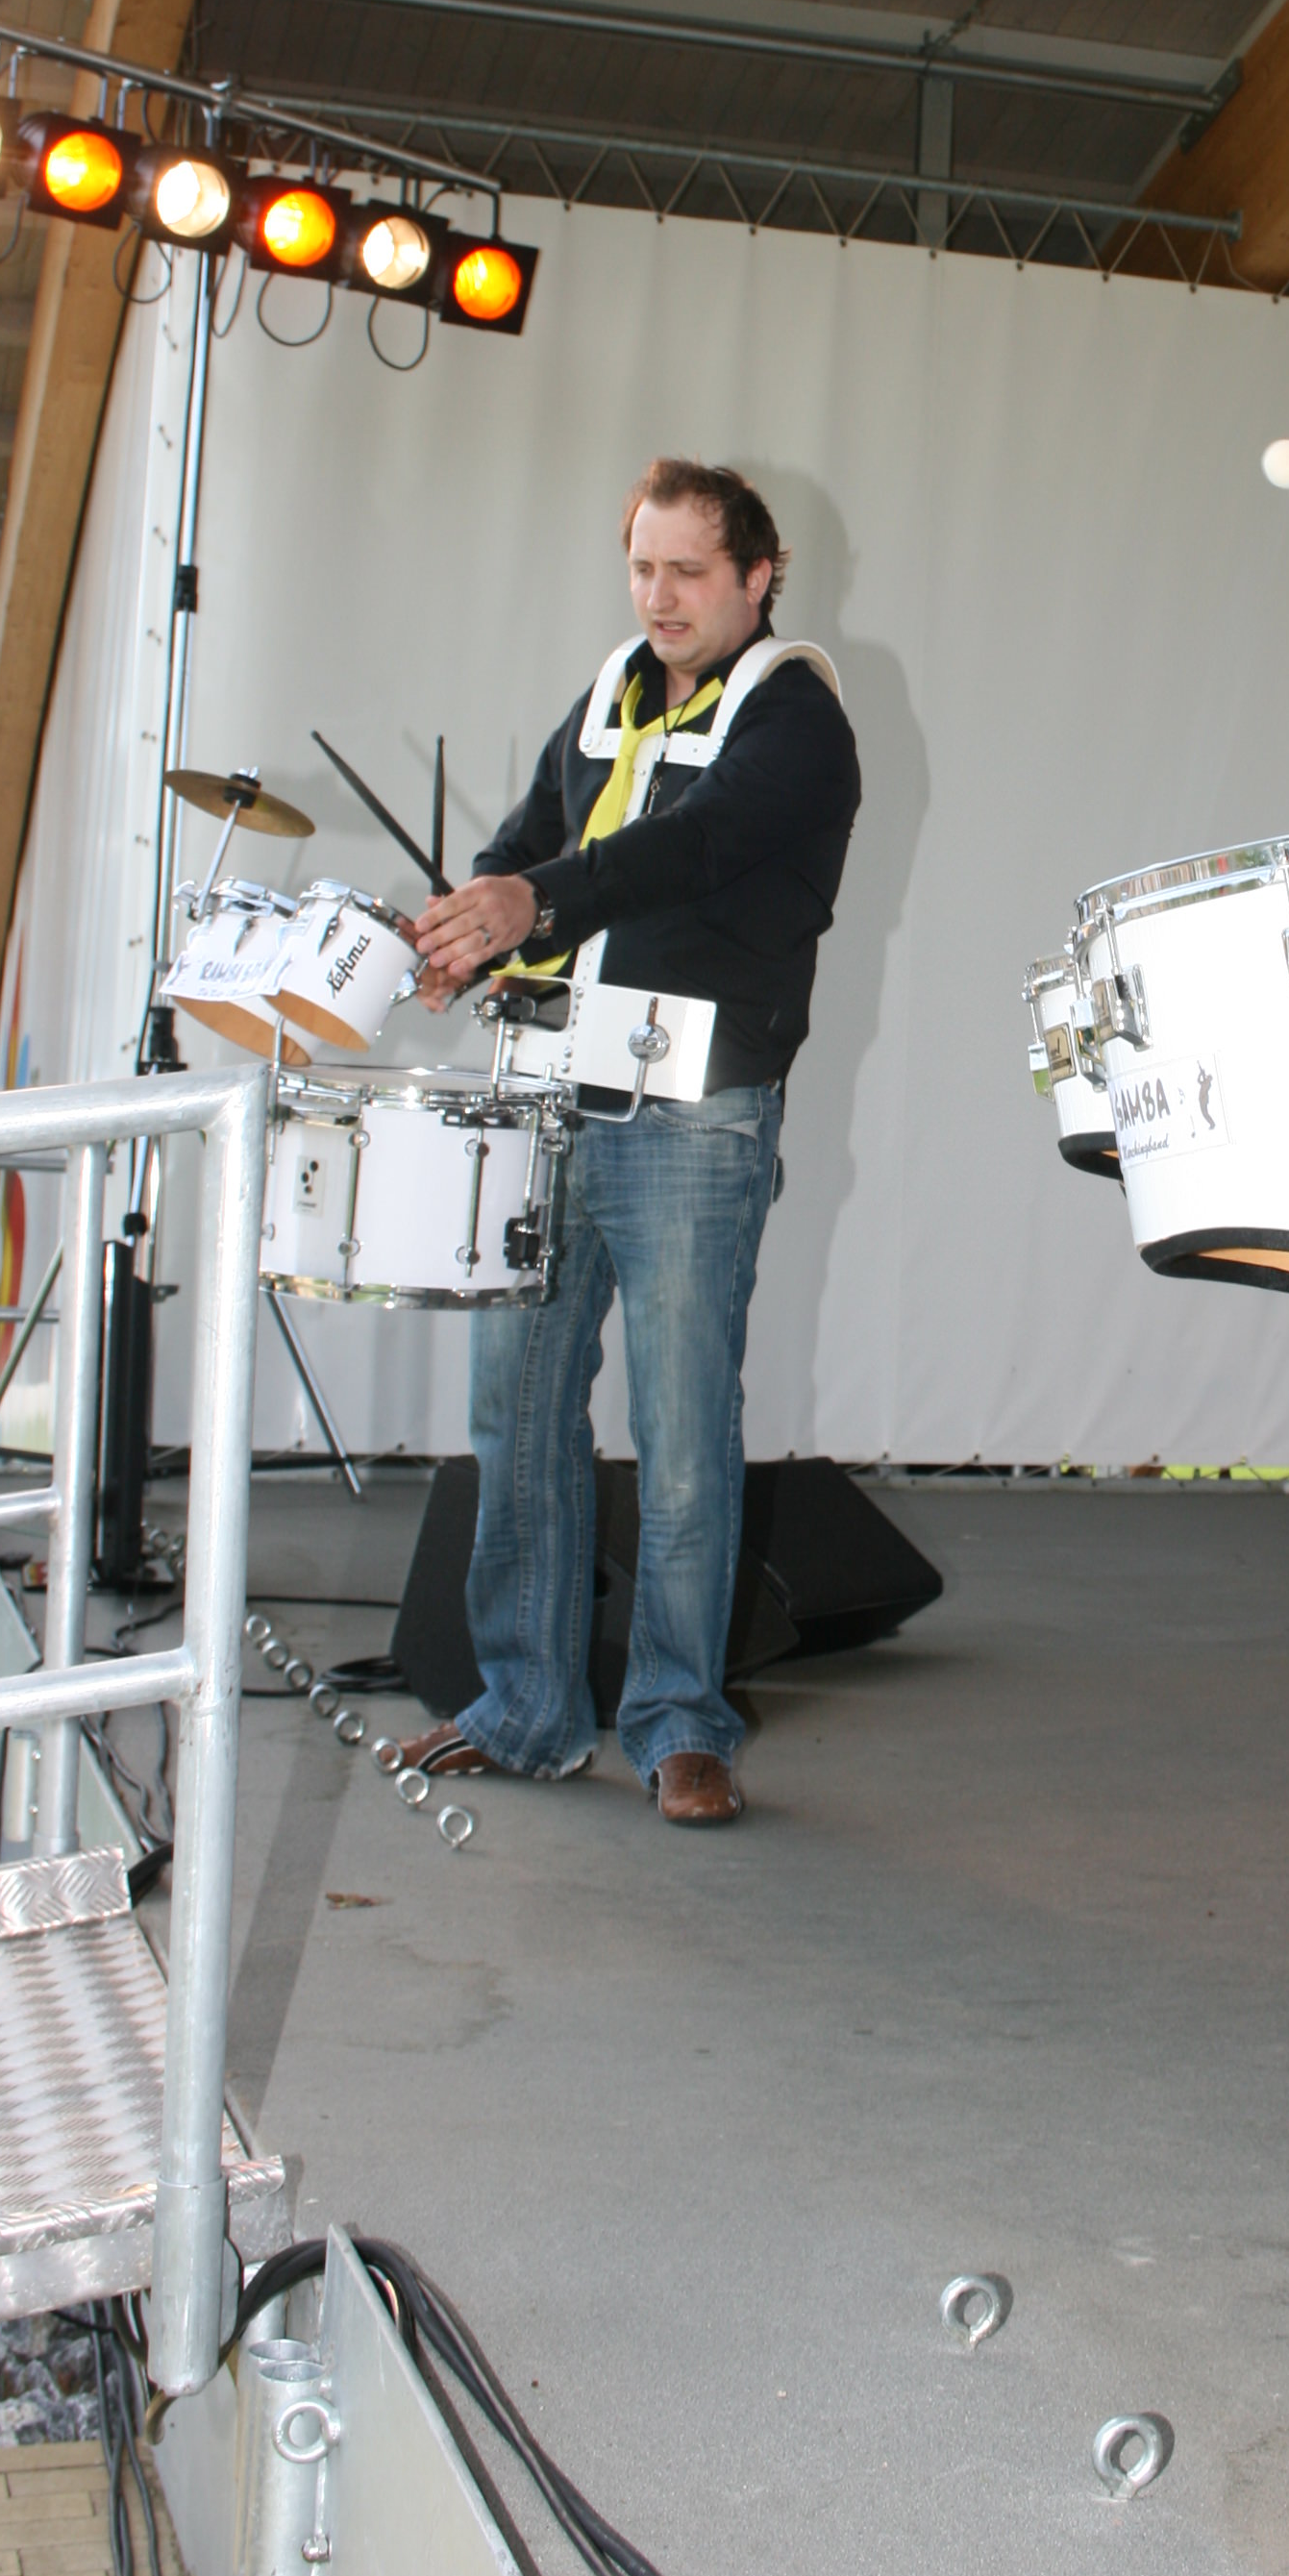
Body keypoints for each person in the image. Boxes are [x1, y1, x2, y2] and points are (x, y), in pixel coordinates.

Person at [405, 459, 859, 1827]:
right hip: (550, 1095)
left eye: (688, 573)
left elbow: (690, 847)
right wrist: (466, 927)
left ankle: (680, 1722)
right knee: (517, 1413)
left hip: (693, 1117)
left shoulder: (797, 713)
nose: (659, 597)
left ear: (757, 578)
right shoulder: (611, 691)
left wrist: (530, 901)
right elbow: (531, 839)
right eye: (643, 568)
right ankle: (525, 1707)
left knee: (681, 1429)